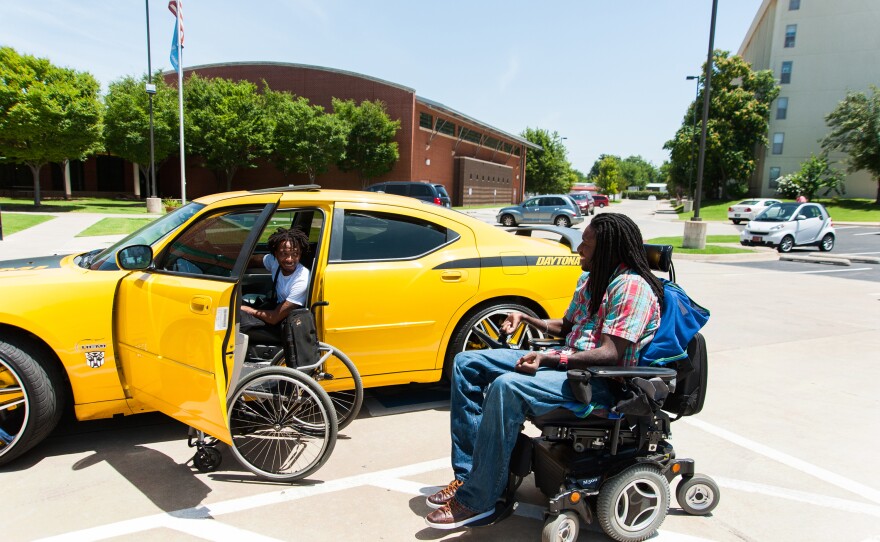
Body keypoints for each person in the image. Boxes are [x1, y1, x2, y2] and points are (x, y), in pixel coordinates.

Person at [425, 213, 663, 530]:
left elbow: (611, 353)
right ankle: (470, 477)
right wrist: (526, 319)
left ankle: (479, 500)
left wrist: (548, 361)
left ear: (607, 249)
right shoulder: (593, 280)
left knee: (508, 386)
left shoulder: (631, 288)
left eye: (586, 244)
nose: (579, 249)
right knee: (466, 364)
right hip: (567, 362)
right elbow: (566, 326)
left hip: (598, 384)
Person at [239, 227, 311, 332]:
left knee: (239, 318)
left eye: (295, 254)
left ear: (300, 254)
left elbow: (274, 318)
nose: (289, 259)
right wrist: (229, 264)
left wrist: (248, 310)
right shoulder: (273, 261)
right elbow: (255, 260)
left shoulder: (302, 279)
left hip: (285, 322)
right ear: (276, 254)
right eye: (284, 254)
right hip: (275, 307)